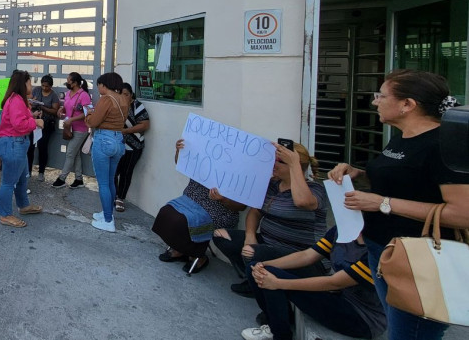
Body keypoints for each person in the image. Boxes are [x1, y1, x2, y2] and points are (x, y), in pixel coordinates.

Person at [327, 69, 469, 340]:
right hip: (382, 250)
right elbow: (409, 180)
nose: (374, 101)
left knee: (410, 334)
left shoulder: (443, 145)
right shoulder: (402, 136)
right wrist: (359, 174)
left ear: (407, 104)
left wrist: (383, 203)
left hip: (419, 262)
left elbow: (463, 214)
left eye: (381, 95)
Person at [214, 142, 328, 296]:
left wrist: (294, 164)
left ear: (295, 165)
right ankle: (254, 278)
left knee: (252, 252)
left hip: (302, 256)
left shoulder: (315, 189)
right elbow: (255, 212)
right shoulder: (273, 184)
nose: (273, 164)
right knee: (221, 236)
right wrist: (250, 235)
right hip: (268, 243)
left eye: (280, 161)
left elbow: (302, 202)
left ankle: (260, 285)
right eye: (273, 159)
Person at [240, 229, 386, 340]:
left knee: (271, 278)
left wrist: (278, 283)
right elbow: (307, 255)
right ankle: (276, 322)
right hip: (338, 296)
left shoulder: (377, 249)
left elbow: (335, 283)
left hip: (362, 318)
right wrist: (263, 264)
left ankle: (281, 335)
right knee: (255, 269)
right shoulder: (341, 230)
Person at [153, 139, 246, 274]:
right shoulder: (204, 158)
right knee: (166, 212)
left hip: (219, 211)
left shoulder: (237, 174)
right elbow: (182, 165)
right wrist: (179, 151)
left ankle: (198, 256)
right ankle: (180, 249)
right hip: (190, 200)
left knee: (182, 221)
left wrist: (223, 199)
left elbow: (241, 207)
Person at [0, 70, 44, 227]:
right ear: (23, 84)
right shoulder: (16, 100)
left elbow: (20, 119)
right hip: (13, 144)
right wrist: (35, 122)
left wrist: (31, 117)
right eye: (30, 82)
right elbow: (19, 124)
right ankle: (5, 215)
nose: (32, 86)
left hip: (17, 144)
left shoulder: (18, 99)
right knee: (9, 182)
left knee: (22, 179)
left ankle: (23, 206)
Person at [84, 72, 130, 232]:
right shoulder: (123, 98)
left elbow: (94, 122)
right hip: (118, 140)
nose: (98, 88)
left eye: (99, 85)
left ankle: (108, 221)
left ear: (104, 85)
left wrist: (89, 115)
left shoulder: (106, 99)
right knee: (110, 180)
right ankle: (106, 213)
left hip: (104, 139)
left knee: (103, 183)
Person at [51, 72, 92, 189]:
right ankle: (79, 179)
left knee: (70, 153)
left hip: (81, 129)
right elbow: (67, 107)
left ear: (75, 83)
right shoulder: (68, 93)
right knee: (75, 153)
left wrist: (72, 119)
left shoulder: (84, 95)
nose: (67, 82)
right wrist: (61, 109)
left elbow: (87, 113)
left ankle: (62, 178)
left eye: (69, 80)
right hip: (70, 128)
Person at [114, 83, 149, 211]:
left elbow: (145, 125)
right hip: (117, 145)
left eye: (126, 94)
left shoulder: (137, 106)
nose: (123, 97)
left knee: (126, 172)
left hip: (133, 146)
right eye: (120, 94)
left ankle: (120, 198)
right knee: (113, 172)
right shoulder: (116, 106)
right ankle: (113, 195)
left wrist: (126, 131)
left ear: (131, 95)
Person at [27, 74, 60, 181]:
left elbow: (55, 111)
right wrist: (33, 101)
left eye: (47, 86)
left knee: (42, 147)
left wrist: (43, 108)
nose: (44, 88)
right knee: (30, 147)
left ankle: (41, 172)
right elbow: (29, 101)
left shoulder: (53, 95)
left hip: (46, 124)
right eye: (43, 86)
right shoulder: (36, 90)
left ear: (51, 86)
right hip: (34, 122)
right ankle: (28, 170)